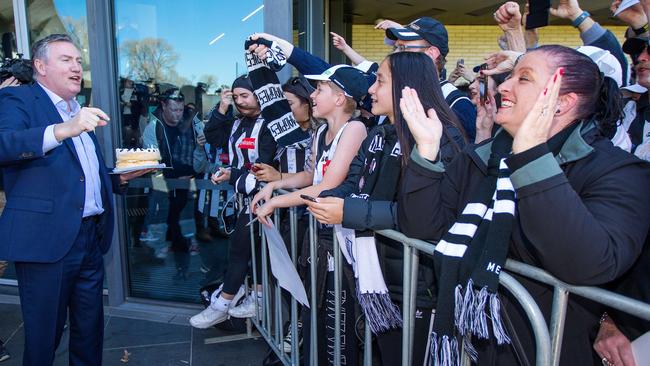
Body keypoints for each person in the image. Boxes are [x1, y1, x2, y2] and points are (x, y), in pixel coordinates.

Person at [398, 45, 650, 365]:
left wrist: (531, 156)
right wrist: (427, 152)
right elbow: (423, 228)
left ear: (561, 102)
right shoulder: (481, 158)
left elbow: (589, 263)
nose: (503, 86)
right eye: (511, 75)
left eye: (524, 78)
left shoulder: (618, 172)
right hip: (473, 345)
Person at [303, 52, 465, 366]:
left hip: (418, 286)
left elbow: (422, 216)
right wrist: (327, 200)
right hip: (378, 276)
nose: (371, 90)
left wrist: (347, 212)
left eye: (380, 81)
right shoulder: (378, 134)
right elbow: (354, 182)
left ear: (408, 87)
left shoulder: (443, 139)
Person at [0, 34, 151, 366]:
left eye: (79, 61)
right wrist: (64, 129)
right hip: (45, 242)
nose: (76, 67)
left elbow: (81, 174)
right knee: (43, 339)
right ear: (40, 66)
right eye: (66, 60)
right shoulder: (18, 99)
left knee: (89, 332)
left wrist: (118, 177)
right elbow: (5, 145)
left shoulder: (77, 111)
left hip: (89, 239)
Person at [252, 65, 368, 365]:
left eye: (319, 90)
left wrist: (277, 203)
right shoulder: (320, 132)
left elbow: (328, 185)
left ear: (341, 98)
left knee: (338, 318)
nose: (313, 95)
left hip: (343, 241)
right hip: (320, 237)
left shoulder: (354, 129)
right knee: (316, 310)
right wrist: (275, 184)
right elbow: (309, 175)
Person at [189, 75, 277, 328]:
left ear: (259, 94)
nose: (240, 101)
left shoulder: (271, 124)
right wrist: (223, 106)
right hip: (244, 197)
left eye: (244, 96)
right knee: (250, 250)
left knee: (240, 248)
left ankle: (224, 302)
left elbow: (266, 167)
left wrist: (233, 174)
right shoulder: (239, 123)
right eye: (236, 97)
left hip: (265, 197)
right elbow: (214, 137)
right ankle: (253, 297)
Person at [382, 17, 477, 139]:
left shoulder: (456, 103)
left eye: (402, 48)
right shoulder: (395, 93)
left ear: (431, 54)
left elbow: (464, 154)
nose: (394, 55)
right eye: (395, 48)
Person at [142, 88, 201, 265]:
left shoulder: (192, 124)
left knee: (185, 218)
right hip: (162, 183)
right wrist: (174, 176)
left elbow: (202, 154)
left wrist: (192, 172)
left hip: (188, 182)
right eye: (173, 110)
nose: (177, 114)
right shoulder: (153, 128)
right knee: (160, 216)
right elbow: (152, 162)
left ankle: (185, 249)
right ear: (163, 106)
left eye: (180, 110)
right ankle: (157, 249)